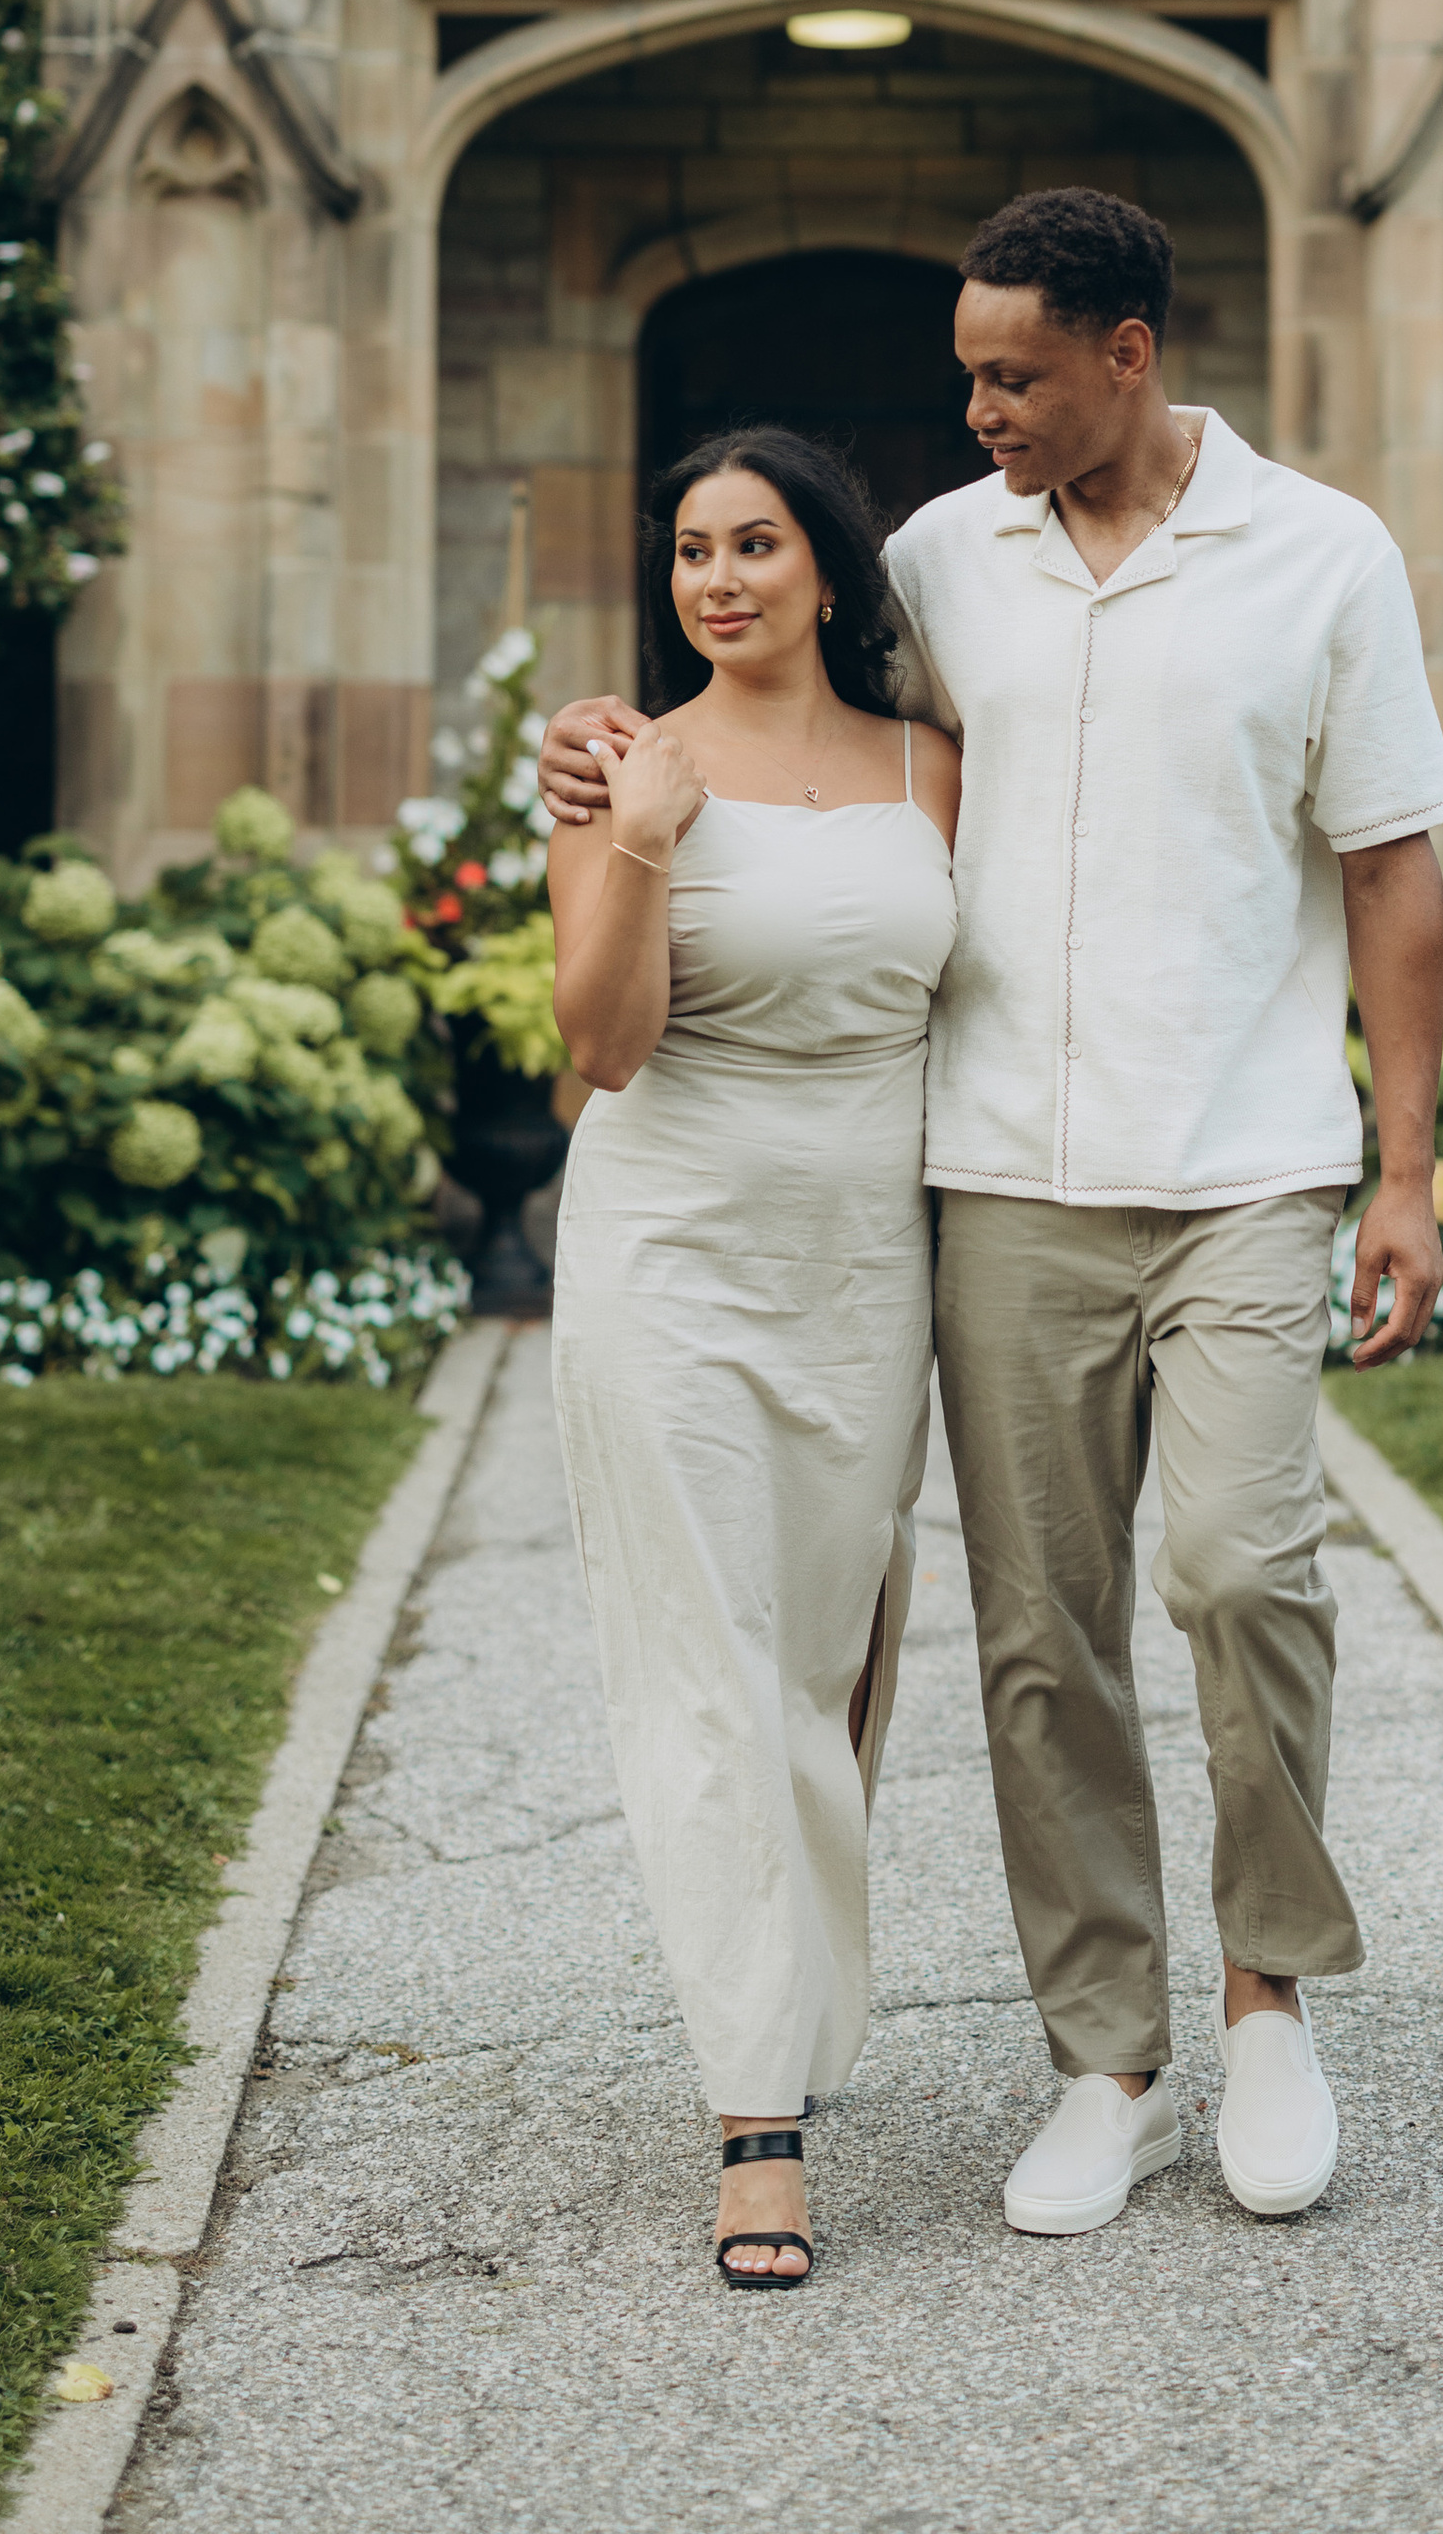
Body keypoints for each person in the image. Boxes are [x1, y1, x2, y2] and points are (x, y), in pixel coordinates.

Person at [544, 189, 1443, 2239]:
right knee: (1038, 1646)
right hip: (996, 1179)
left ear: (1127, 350)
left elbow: (1392, 864)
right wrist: (604, 772)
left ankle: (1264, 2002)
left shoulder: (1322, 553)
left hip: (1241, 1161)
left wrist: (1403, 1170)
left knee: (1236, 1572)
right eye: (965, 373)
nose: (973, 411)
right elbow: (777, 734)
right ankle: (1105, 2060)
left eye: (1012, 374)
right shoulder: (944, 564)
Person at [544, 425, 959, 2296]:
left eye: (757, 544)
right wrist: (634, 842)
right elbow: (606, 1048)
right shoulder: (629, 767)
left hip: (864, 1268)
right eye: (693, 551)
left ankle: (796, 1997)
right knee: (705, 1668)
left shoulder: (936, 769)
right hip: (672, 1255)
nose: (718, 579)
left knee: (821, 1664)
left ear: (828, 566)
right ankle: (756, 2126)